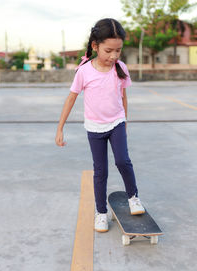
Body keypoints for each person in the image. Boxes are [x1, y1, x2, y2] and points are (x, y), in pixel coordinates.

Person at [55, 18, 145, 233]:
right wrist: (60, 128)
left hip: (116, 123)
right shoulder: (85, 71)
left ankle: (133, 197)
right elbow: (71, 98)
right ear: (95, 46)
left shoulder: (120, 68)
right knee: (100, 171)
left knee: (123, 161)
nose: (114, 56)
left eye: (118, 51)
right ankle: (101, 212)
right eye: (108, 51)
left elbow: (123, 97)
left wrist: (125, 123)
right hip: (95, 128)